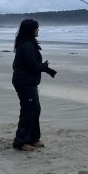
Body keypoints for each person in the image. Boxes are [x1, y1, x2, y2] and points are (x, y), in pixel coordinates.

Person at [12, 19, 57, 151]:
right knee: (28, 110)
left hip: (28, 81)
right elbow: (33, 66)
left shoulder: (29, 44)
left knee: (35, 109)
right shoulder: (27, 46)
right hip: (24, 82)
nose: (38, 30)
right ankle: (20, 142)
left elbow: (33, 65)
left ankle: (33, 138)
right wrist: (44, 67)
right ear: (31, 30)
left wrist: (45, 68)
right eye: (37, 28)